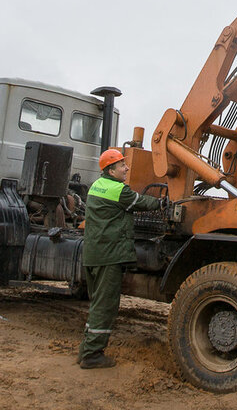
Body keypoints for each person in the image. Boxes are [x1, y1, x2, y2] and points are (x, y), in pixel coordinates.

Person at [77, 147, 163, 369]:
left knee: (97, 303)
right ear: (111, 170)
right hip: (108, 255)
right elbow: (142, 202)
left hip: (95, 254)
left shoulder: (97, 185)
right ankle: (92, 356)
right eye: (122, 165)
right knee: (105, 306)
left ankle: (86, 349)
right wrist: (165, 203)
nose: (126, 168)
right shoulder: (118, 191)